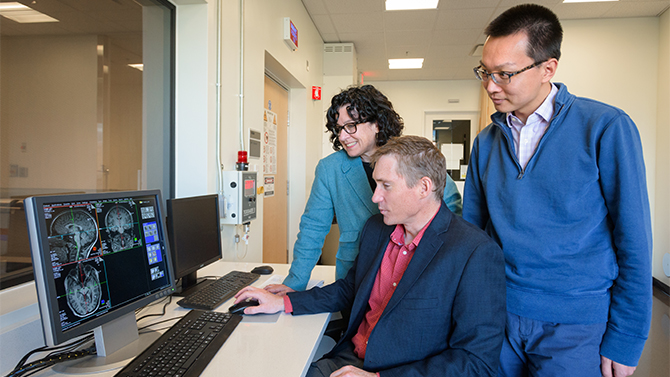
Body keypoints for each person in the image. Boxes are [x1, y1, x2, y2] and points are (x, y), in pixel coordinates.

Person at [463, 4, 652, 377]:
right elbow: (473, 233)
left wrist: (628, 336)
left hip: (576, 327)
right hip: (498, 318)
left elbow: (633, 238)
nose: (490, 86)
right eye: (485, 72)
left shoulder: (605, 127)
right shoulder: (486, 142)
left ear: (547, 68)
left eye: (504, 74)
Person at [235, 135, 506, 377]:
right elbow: (351, 289)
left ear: (424, 187)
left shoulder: (475, 252)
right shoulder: (377, 229)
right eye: (376, 184)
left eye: (385, 185)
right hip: (349, 360)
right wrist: (283, 302)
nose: (375, 197)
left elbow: (475, 361)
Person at [274, 85, 462, 292]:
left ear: (377, 124)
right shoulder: (331, 169)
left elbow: (450, 210)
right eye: (339, 128)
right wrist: (294, 284)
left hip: (414, 275)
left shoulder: (413, 157)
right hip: (354, 278)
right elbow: (313, 228)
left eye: (351, 126)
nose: (343, 136)